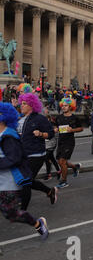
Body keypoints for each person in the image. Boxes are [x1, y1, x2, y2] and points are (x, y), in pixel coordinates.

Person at [0, 102, 49, 240]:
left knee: (12, 214)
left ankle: (38, 223)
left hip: (8, 183)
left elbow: (13, 158)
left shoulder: (9, 136)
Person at [17, 93, 57, 209]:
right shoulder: (20, 119)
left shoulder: (40, 118)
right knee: (25, 180)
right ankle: (49, 191)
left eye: (25, 104)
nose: (22, 106)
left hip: (36, 155)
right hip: (23, 155)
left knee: (26, 182)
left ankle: (22, 211)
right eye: (21, 103)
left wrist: (40, 134)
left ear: (32, 105)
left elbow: (50, 134)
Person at [54, 98, 83, 188]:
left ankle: (64, 181)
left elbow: (81, 128)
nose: (63, 107)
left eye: (66, 106)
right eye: (63, 105)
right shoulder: (59, 117)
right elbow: (55, 125)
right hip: (61, 141)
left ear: (70, 107)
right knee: (60, 161)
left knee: (62, 161)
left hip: (69, 142)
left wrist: (72, 130)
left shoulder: (74, 118)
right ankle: (75, 167)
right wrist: (55, 129)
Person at [43, 109, 60, 181]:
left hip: (52, 143)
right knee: (51, 158)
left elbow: (55, 132)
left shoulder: (52, 124)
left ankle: (48, 174)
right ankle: (58, 170)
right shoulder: (44, 125)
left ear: (49, 118)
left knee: (46, 158)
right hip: (46, 143)